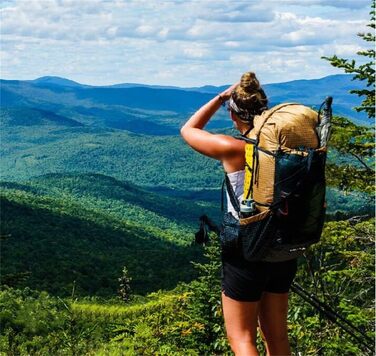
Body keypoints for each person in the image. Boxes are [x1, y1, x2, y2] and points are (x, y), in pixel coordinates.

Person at [180, 71, 297, 356]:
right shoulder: (287, 150)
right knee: (277, 339)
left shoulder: (233, 149)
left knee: (242, 339)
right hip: (283, 246)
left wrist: (221, 98)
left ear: (234, 115)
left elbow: (188, 129)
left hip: (245, 248)